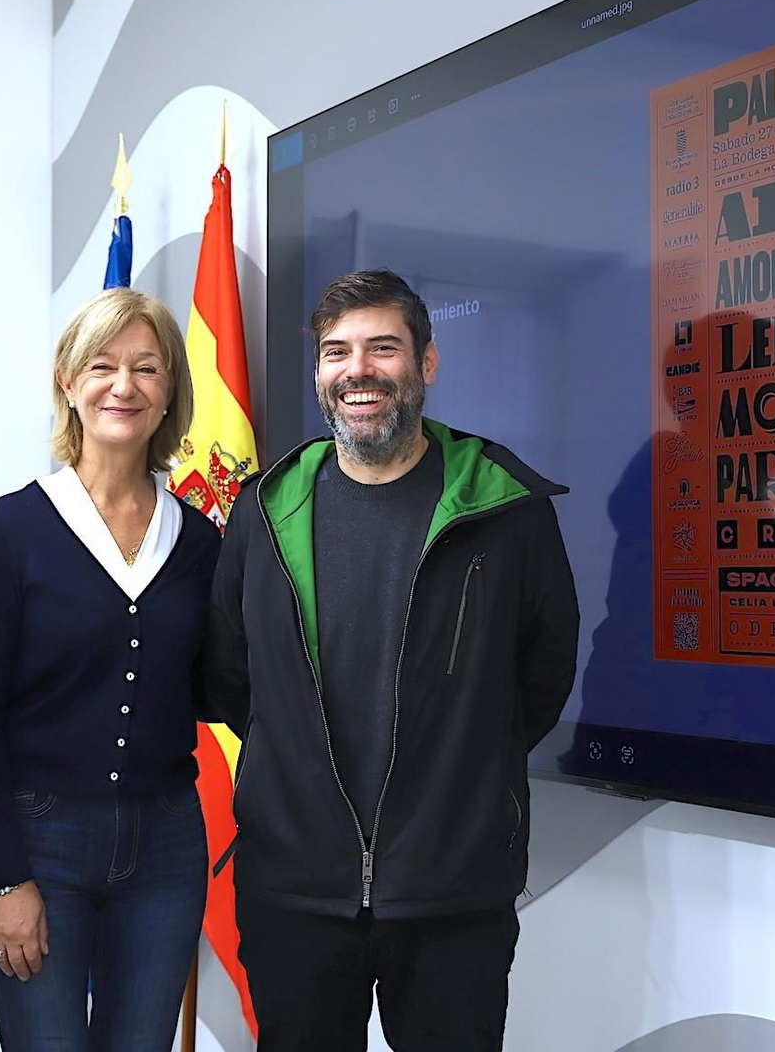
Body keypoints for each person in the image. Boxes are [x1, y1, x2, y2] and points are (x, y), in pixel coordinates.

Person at [207, 268, 581, 1051]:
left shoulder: (504, 508)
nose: (359, 371)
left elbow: (543, 674)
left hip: (455, 892)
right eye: (337, 352)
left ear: (426, 364)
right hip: (295, 890)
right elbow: (234, 675)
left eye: (383, 348)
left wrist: (466, 772)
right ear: (319, 374)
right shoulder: (264, 510)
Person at [0, 287, 217, 1051]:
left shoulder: (200, 543)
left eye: (146, 368)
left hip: (167, 844)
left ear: (171, 391)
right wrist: (2, 875)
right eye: (102, 365)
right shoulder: (14, 525)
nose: (123, 386)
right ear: (68, 381)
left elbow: (216, 688)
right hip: (39, 842)